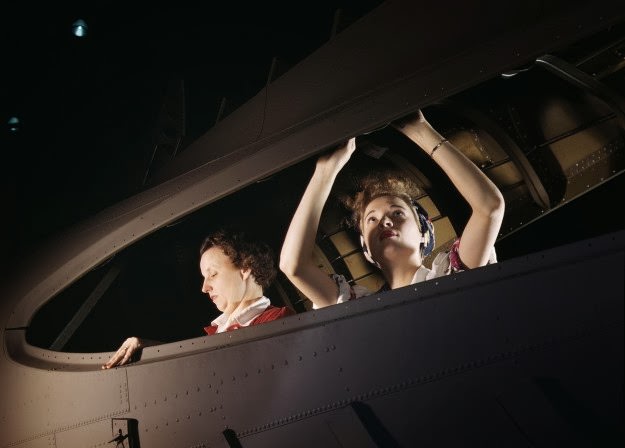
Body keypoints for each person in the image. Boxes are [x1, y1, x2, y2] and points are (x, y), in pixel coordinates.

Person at [279, 109, 505, 308]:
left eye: (397, 213)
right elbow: (293, 265)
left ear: (423, 233)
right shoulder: (357, 306)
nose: (385, 222)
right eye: (371, 220)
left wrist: (421, 130)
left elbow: (490, 208)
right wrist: (325, 171)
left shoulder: (451, 274)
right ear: (366, 248)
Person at [102, 230, 294, 368]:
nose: (204, 287)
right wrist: (147, 348)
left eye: (213, 275)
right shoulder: (221, 331)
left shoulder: (279, 323)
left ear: (245, 268)